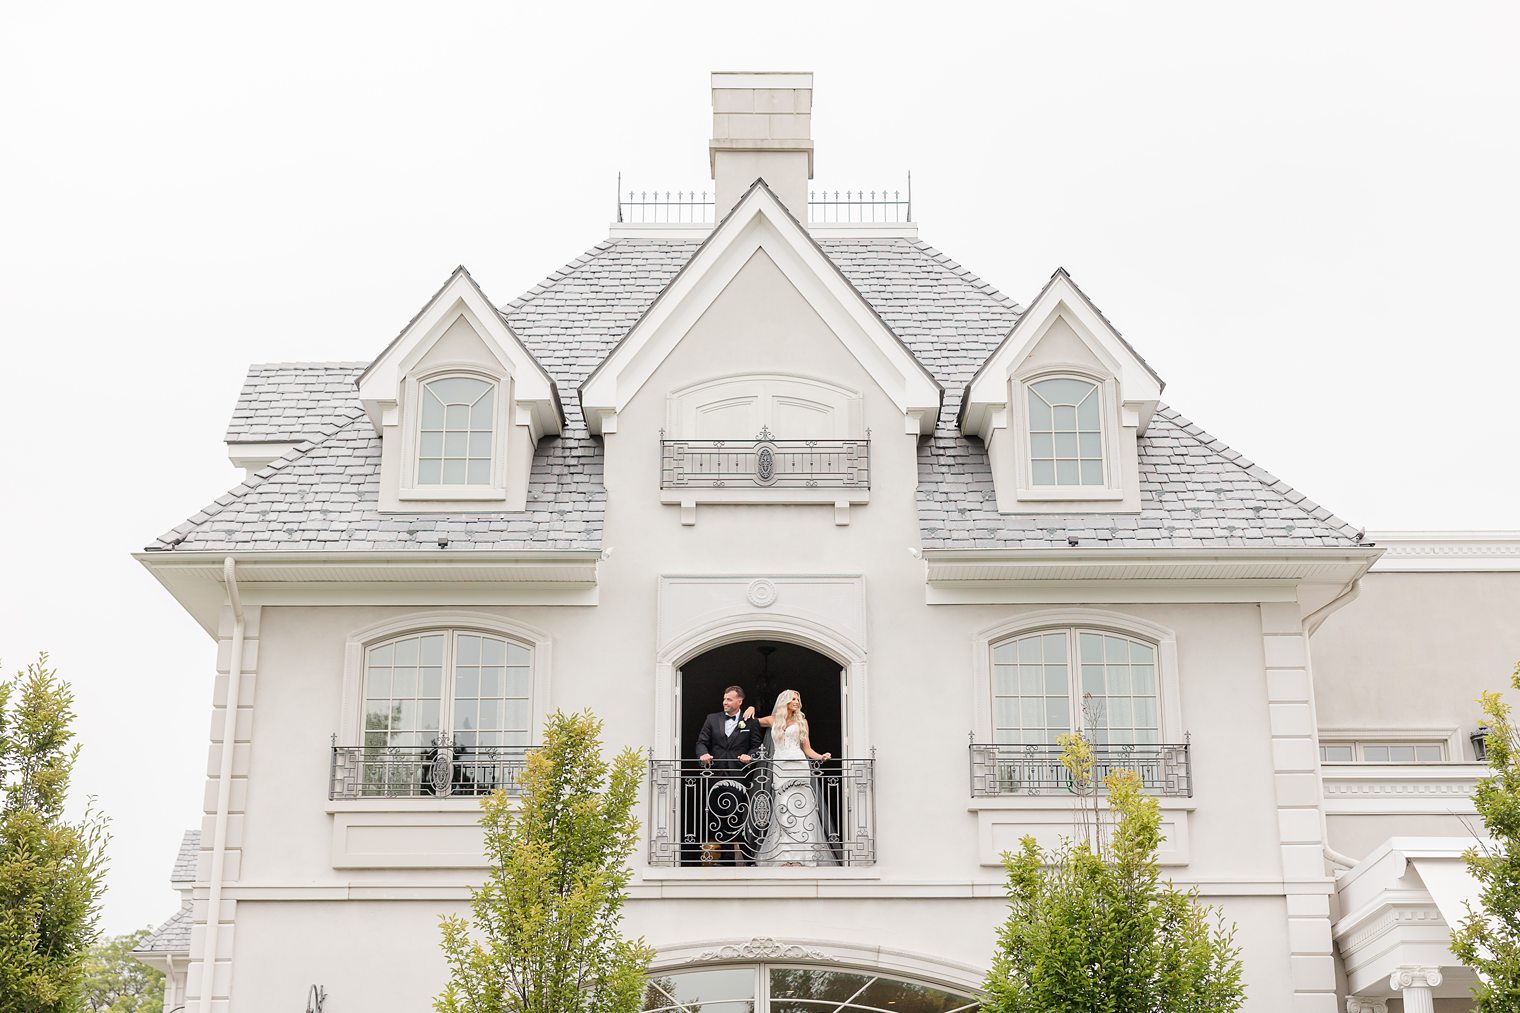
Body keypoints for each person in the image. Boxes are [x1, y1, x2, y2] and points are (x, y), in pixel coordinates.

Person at [742, 689, 837, 867]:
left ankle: (804, 858)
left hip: (799, 767)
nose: (796, 702)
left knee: (803, 810)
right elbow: (749, 723)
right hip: (781, 767)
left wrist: (821, 756)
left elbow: (807, 749)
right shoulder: (773, 720)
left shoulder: (802, 722)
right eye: (793, 698)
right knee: (783, 808)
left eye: (798, 699)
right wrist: (750, 707)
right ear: (785, 701)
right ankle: (783, 856)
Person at [693, 685, 764, 864]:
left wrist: (751, 756)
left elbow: (757, 746)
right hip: (715, 774)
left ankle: (743, 858)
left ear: (740, 701)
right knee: (718, 815)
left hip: (738, 775)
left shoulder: (751, 721)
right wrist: (703, 755)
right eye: (724, 699)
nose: (725, 702)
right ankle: (730, 859)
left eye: (729, 699)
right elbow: (701, 742)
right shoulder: (712, 719)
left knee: (735, 815)